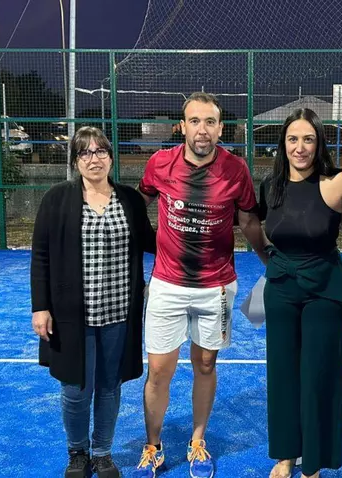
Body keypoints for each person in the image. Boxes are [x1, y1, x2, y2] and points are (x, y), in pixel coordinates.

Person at [132, 92, 268, 478]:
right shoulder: (160, 163)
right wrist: (141, 245)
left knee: (206, 364)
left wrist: (269, 260)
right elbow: (137, 204)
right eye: (195, 121)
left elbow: (248, 221)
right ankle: (153, 446)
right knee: (159, 370)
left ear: (220, 128)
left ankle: (197, 440)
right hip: (167, 284)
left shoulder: (236, 169)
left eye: (210, 122)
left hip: (217, 287)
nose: (202, 129)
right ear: (182, 126)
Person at [259, 108, 342, 478]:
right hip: (280, 288)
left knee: (317, 376)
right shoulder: (269, 185)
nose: (300, 147)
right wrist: (273, 263)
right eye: (293, 139)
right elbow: (265, 231)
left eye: (308, 139)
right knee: (282, 374)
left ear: (319, 143)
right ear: (283, 144)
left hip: (325, 290)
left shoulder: (339, 183)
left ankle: (312, 464)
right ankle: (286, 455)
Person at [31, 126, 156, 478]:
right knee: (75, 389)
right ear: (75, 161)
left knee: (109, 387)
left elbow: (153, 243)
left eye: (100, 151)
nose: (93, 158)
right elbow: (41, 255)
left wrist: (198, 228)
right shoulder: (56, 199)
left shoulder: (129, 200)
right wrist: (40, 307)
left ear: (111, 158)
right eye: (84, 152)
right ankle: (77, 453)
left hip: (119, 313)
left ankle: (102, 453)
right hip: (72, 316)